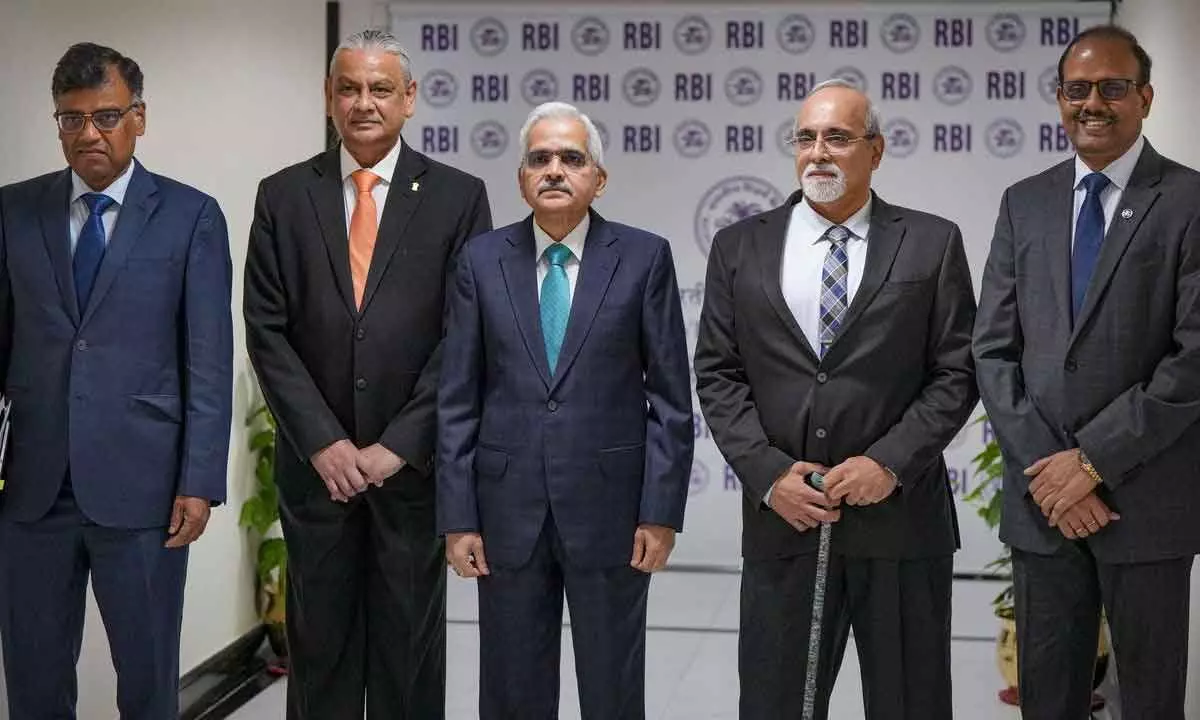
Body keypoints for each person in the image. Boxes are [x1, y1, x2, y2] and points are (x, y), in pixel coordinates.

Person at [694, 79, 978, 720]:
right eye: (807, 137)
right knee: (774, 705)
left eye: (839, 138)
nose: (819, 151)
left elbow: (956, 372)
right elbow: (717, 372)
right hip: (785, 522)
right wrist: (769, 476)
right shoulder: (739, 247)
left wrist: (890, 463)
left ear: (875, 151)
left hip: (903, 526)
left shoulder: (932, 243)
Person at [243, 29, 491, 719]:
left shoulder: (457, 198)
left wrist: (397, 445)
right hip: (316, 476)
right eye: (348, 88)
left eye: (380, 88)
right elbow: (266, 331)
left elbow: (464, 336)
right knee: (318, 653)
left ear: (409, 99)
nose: (363, 102)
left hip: (409, 476)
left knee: (409, 654)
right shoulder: (283, 196)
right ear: (328, 97)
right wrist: (324, 442)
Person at [437, 100, 693, 719]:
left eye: (571, 158)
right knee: (511, 689)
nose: (554, 169)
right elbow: (457, 400)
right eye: (539, 159)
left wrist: (661, 513)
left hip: (612, 514)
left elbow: (671, 401)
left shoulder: (643, 258)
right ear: (522, 177)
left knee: (612, 686)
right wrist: (459, 518)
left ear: (597, 178)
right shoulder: (480, 260)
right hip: (505, 515)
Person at [0, 42, 233, 719]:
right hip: (32, 490)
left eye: (105, 116)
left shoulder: (191, 216)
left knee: (147, 675)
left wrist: (199, 480)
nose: (88, 134)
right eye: (72, 119)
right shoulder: (14, 213)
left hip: (147, 491)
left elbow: (208, 361)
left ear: (139, 118)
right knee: (34, 677)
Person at [974, 25, 1200, 720]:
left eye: (1112, 88)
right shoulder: (1025, 201)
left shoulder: (1190, 201)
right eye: (1077, 90)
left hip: (1147, 505)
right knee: (1047, 700)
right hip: (1045, 510)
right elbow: (991, 348)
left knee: (1150, 701)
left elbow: (1192, 357)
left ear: (1145, 98)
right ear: (1060, 101)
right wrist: (1056, 473)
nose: (1092, 103)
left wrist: (1094, 461)